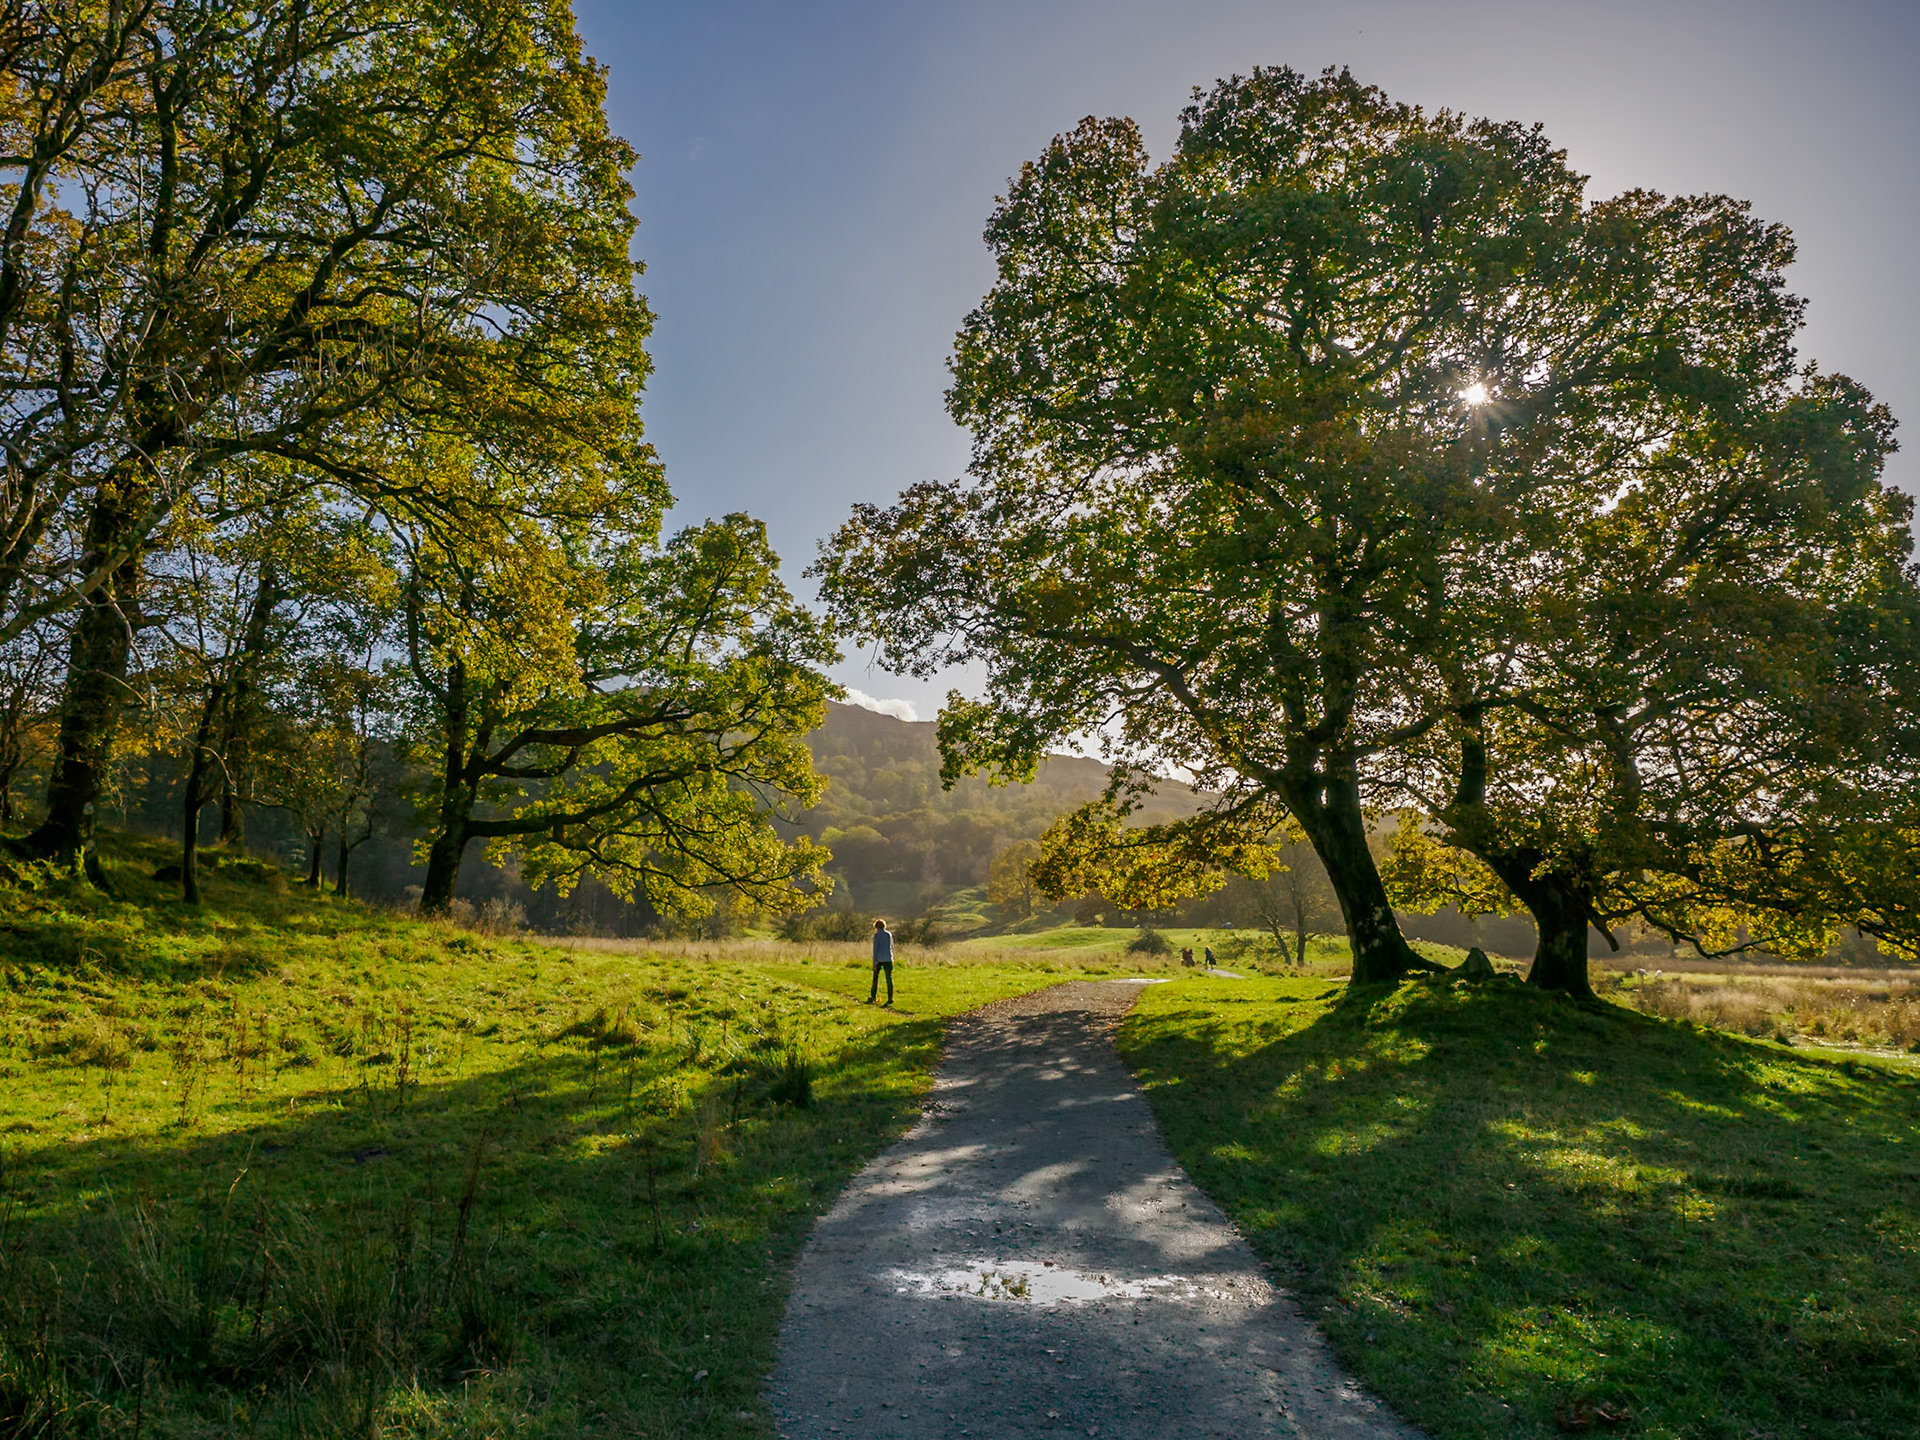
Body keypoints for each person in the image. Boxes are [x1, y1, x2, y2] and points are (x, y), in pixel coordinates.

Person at [868, 918, 895, 1005]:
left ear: (876, 927)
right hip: (888, 958)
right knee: (889, 979)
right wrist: (892, 958)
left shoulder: (876, 935)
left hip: (879, 958)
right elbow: (892, 947)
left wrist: (874, 963)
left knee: (875, 979)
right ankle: (890, 997)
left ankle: (873, 996)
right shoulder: (889, 934)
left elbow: (875, 949)